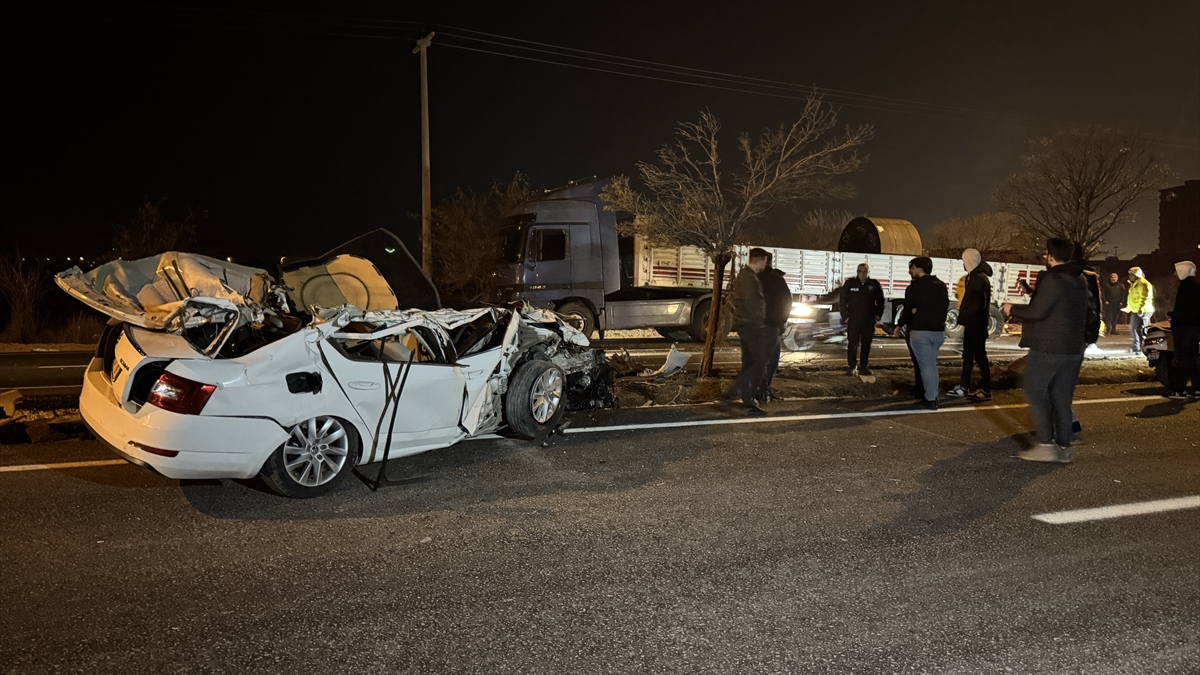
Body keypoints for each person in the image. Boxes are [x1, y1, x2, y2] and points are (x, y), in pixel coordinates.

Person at [1003, 238, 1088, 463]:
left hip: (1049, 348)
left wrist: (1012, 309)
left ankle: (1045, 444)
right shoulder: (1079, 279)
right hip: (1072, 348)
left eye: (1046, 254)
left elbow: (1037, 312)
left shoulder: (1053, 278)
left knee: (1034, 391)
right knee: (1060, 396)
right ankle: (1064, 447)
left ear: (1051, 256)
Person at [719, 248, 771, 414]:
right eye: (765, 261)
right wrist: (759, 322)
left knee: (750, 364)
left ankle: (748, 402)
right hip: (751, 327)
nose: (766, 264)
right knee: (758, 363)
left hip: (748, 326)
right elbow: (751, 304)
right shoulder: (748, 278)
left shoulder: (747, 275)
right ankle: (729, 394)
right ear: (761, 260)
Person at [893, 256, 949, 409]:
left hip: (920, 331)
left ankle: (930, 398)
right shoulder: (941, 286)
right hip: (938, 332)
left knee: (926, 366)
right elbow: (945, 307)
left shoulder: (914, 288)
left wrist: (899, 325)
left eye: (912, 268)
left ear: (919, 268)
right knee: (931, 364)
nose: (910, 271)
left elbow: (908, 308)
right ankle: (932, 395)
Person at [948, 249, 993, 401]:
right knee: (971, 357)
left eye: (964, 261)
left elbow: (978, 304)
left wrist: (965, 316)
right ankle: (964, 387)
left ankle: (984, 390)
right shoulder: (976, 277)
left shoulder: (978, 279)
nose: (963, 264)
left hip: (975, 324)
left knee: (978, 357)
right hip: (975, 323)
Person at [839, 263, 884, 377]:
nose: (862, 273)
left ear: (869, 272)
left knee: (866, 344)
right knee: (852, 344)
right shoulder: (850, 284)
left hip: (868, 320)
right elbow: (843, 300)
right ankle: (852, 366)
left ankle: (864, 367)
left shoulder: (873, 284)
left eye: (865, 271)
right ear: (857, 272)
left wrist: (878, 314)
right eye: (860, 271)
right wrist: (845, 316)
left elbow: (880, 300)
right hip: (853, 320)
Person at [758, 253, 793, 401]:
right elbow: (787, 302)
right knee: (771, 360)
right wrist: (782, 323)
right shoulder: (777, 279)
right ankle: (764, 390)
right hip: (772, 326)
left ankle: (761, 390)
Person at [1167, 261, 1199, 399]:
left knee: (1183, 358)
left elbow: (1183, 311)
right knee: (1192, 358)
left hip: (1184, 328)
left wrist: (1174, 318)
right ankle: (1197, 388)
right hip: (1194, 328)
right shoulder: (1196, 286)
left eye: (1177, 271)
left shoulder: (1184, 288)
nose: (1175, 274)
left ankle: (1180, 389)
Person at [1124, 267, 1154, 353]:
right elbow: (1132, 297)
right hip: (1136, 310)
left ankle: (1144, 347)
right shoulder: (1134, 284)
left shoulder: (1143, 283)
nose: (1129, 276)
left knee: (1142, 329)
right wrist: (1129, 307)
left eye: (1131, 274)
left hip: (1144, 310)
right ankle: (1136, 346)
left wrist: (1142, 308)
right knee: (1134, 328)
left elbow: (1146, 297)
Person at [1101, 272, 1127, 338]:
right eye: (1112, 277)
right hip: (1109, 304)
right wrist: (1105, 300)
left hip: (1117, 304)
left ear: (1117, 278)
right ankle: (1108, 329)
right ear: (1110, 278)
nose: (1113, 278)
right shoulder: (1106, 285)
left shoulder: (1120, 285)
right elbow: (1103, 293)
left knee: (1115, 317)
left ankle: (1113, 330)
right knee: (1108, 317)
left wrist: (1122, 301)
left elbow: (1123, 294)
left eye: (1115, 277)